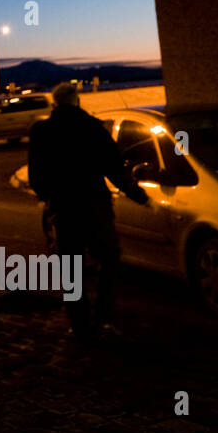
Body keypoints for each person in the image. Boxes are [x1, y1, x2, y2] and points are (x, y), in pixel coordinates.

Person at [27, 82, 148, 341]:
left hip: (63, 208)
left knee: (71, 269)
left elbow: (35, 175)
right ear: (77, 101)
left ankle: (78, 323)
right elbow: (114, 168)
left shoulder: (42, 132)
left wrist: (48, 198)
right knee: (109, 259)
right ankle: (104, 316)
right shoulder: (93, 128)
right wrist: (137, 194)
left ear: (55, 103)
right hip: (95, 206)